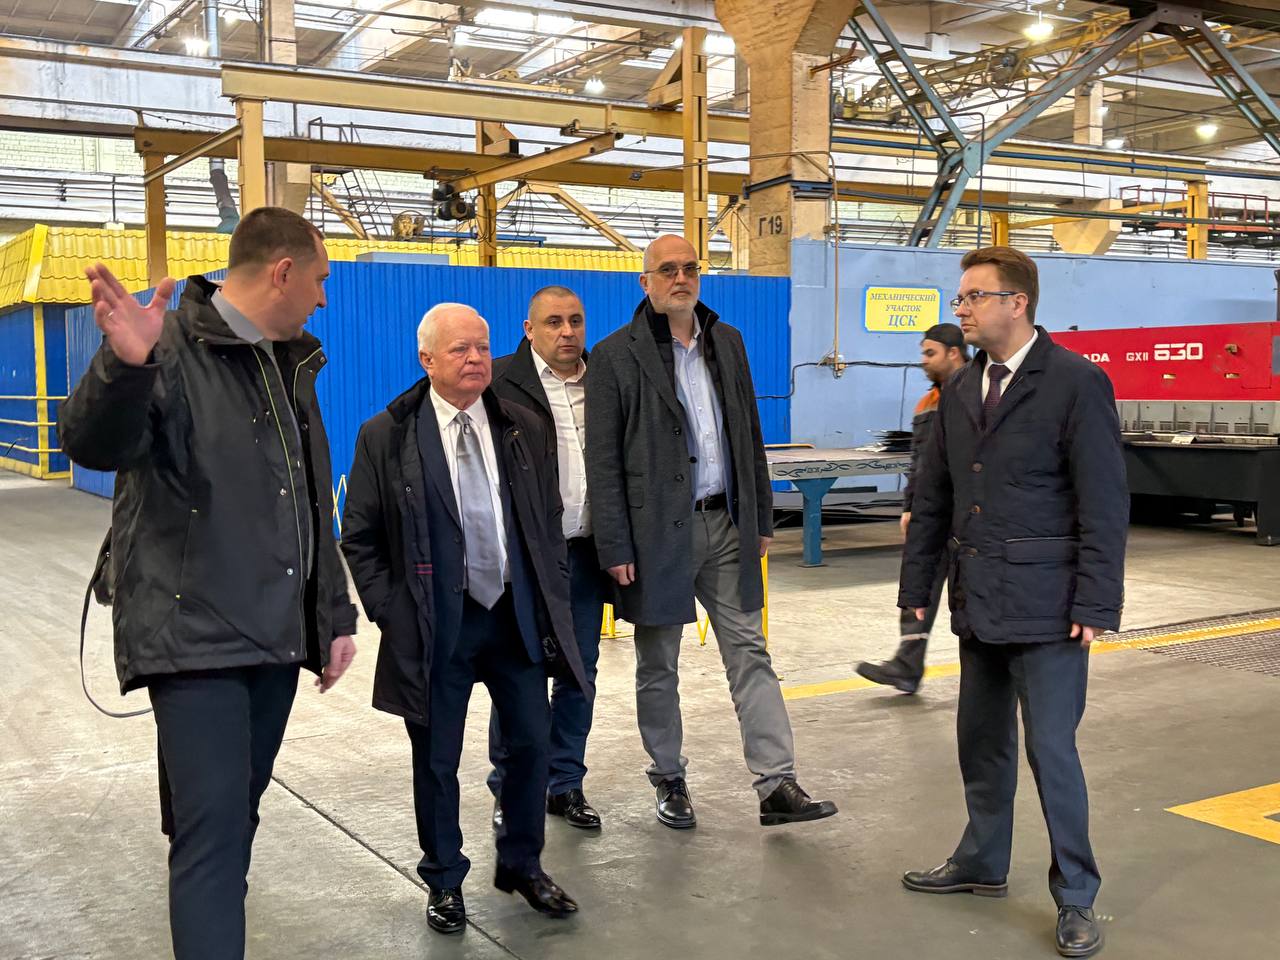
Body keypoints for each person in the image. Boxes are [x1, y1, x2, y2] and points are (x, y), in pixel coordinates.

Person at [59, 207, 358, 960]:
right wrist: (125, 367)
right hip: (194, 639)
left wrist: (331, 615)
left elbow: (308, 501)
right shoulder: (167, 347)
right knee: (213, 838)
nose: (324, 298)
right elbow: (94, 443)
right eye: (320, 279)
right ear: (283, 272)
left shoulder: (287, 362)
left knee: (231, 821)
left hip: (272, 640)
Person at [898, 246, 1127, 959]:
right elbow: (934, 498)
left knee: (1051, 750)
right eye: (961, 298)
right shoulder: (962, 388)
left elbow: (1103, 501)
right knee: (980, 740)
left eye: (974, 296)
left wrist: (1096, 602)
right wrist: (916, 591)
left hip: (1050, 606)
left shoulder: (1075, 382)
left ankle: (1077, 893)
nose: (961, 309)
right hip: (979, 598)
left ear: (1016, 302)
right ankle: (981, 860)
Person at [340, 303, 589, 936]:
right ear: (427, 360)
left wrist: (551, 588)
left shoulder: (522, 426)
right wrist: (394, 613)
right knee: (436, 760)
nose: (477, 359)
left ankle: (523, 864)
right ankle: (444, 879)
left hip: (513, 619)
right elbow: (360, 537)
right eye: (460, 350)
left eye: (482, 347)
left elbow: (547, 520)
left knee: (531, 743)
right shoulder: (386, 435)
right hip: (435, 628)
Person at [585, 233, 837, 830]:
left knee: (749, 651)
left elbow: (749, 432)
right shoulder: (615, 356)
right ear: (645, 282)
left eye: (690, 268)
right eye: (667, 270)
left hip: (726, 523)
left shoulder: (728, 341)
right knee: (658, 664)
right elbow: (604, 461)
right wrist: (615, 544)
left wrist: (761, 517)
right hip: (655, 538)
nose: (681, 278)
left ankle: (776, 784)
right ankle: (669, 779)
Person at [487, 286, 606, 830]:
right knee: (520, 672)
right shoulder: (500, 382)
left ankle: (565, 783)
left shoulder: (604, 382)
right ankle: (512, 787)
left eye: (575, 320)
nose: (567, 331)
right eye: (554, 322)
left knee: (580, 673)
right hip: (525, 561)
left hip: (587, 555)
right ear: (529, 329)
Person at [858, 323, 969, 693]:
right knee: (919, 586)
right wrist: (910, 507)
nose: (923, 360)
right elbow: (919, 461)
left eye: (930, 353)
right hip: (932, 514)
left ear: (954, 353)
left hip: (969, 515)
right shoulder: (927, 403)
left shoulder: (977, 394)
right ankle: (906, 665)